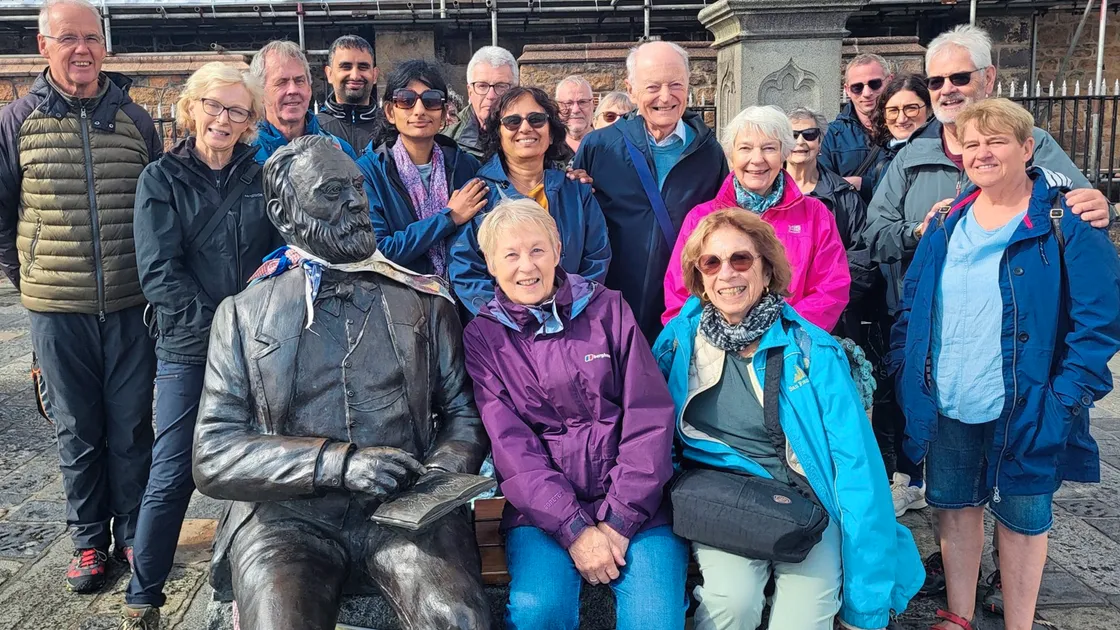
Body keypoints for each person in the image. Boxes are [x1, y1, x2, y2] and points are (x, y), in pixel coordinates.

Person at [192, 135, 491, 630]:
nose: (355, 202)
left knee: (456, 619)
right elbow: (213, 453)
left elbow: (463, 413)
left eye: (356, 186)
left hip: (405, 512)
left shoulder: (425, 302)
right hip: (286, 519)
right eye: (331, 192)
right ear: (284, 214)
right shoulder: (242, 315)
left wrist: (434, 481)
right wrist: (339, 464)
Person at [863, 25, 1116, 605]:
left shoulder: (1060, 209)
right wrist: (907, 369)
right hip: (949, 390)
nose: (981, 152)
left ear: (1027, 148)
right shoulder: (944, 217)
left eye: (996, 142)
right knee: (953, 504)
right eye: (971, 144)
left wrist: (1065, 396)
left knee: (1024, 510)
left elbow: (1097, 317)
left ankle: (1020, 617)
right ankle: (960, 613)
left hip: (1028, 392)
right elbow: (909, 295)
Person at [654, 208, 923, 630]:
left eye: (741, 259)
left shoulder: (813, 351)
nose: (727, 274)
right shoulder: (677, 344)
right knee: (731, 603)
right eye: (712, 262)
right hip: (725, 496)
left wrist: (864, 606)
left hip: (806, 499)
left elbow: (858, 470)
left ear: (766, 268)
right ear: (699, 278)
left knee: (802, 617)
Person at [0, 0, 163, 594]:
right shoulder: (15, 122)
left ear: (105, 44)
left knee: (129, 425)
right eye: (67, 39)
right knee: (76, 428)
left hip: (128, 303)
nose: (81, 50)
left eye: (91, 38)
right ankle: (88, 540)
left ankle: (131, 531)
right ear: (43, 46)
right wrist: (33, 281)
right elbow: (2, 219)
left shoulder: (138, 121)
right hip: (57, 310)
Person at [462, 198, 686, 630]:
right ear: (490, 263)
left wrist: (620, 519)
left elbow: (648, 415)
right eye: (510, 254)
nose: (526, 266)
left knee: (655, 619)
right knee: (537, 612)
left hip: (637, 503)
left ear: (557, 250)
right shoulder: (484, 338)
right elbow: (513, 448)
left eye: (537, 250)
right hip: (543, 513)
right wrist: (576, 530)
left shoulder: (607, 309)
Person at [122, 62, 279, 630]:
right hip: (190, 345)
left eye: (236, 110)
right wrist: (223, 326)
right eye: (213, 105)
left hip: (259, 343)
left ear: (249, 121)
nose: (222, 118)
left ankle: (258, 576)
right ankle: (145, 595)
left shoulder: (261, 176)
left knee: (266, 463)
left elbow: (280, 252)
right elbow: (159, 272)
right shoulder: (160, 179)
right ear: (192, 107)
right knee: (172, 470)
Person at [573, 41, 727, 341]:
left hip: (681, 306)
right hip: (609, 306)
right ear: (631, 90)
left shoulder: (710, 152)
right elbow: (578, 221)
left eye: (676, 85)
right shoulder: (600, 146)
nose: (666, 97)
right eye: (653, 86)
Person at [662, 106, 849, 335]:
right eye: (745, 148)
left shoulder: (815, 215)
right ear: (731, 155)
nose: (757, 159)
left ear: (784, 153)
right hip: (718, 352)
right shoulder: (701, 218)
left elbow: (831, 288)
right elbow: (680, 293)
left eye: (769, 148)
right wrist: (715, 341)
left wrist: (785, 334)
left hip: (793, 349)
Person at [450, 86, 611, 315]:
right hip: (504, 335)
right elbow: (466, 269)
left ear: (552, 131)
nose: (525, 128)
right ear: (498, 133)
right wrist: (509, 318)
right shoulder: (477, 194)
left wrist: (569, 310)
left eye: (536, 119)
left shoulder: (576, 191)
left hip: (571, 323)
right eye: (512, 121)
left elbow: (597, 257)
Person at [356, 60, 485, 279]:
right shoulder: (369, 172)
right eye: (406, 100)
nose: (419, 110)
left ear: (444, 113)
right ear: (389, 111)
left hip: (462, 300)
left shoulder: (466, 166)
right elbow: (378, 251)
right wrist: (448, 218)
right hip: (401, 301)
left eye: (431, 101)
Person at [785, 106, 876, 341]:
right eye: (792, 135)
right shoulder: (765, 193)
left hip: (834, 321)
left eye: (810, 134)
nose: (801, 142)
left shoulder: (844, 195)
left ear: (821, 139)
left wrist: (825, 301)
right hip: (775, 317)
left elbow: (862, 259)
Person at [250, 39, 357, 163]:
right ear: (260, 92)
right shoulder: (242, 155)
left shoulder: (339, 152)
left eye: (299, 81)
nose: (293, 90)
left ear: (309, 88)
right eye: (281, 82)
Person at [819, 54, 893, 198]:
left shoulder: (906, 128)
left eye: (875, 84)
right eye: (857, 87)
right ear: (847, 90)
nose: (867, 93)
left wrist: (862, 184)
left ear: (890, 81)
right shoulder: (830, 135)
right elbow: (823, 188)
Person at [317, 35, 387, 155]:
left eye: (363, 67)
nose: (355, 75)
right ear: (329, 74)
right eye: (346, 67)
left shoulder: (389, 128)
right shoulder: (315, 128)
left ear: (375, 75)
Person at [446, 45, 518, 160]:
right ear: (470, 92)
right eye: (482, 86)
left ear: (516, 90)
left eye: (501, 86)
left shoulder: (533, 134)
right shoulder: (447, 143)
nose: (491, 96)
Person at [555, 75, 594, 155]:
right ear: (557, 107)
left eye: (582, 102)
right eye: (568, 103)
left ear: (592, 104)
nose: (575, 110)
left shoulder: (608, 146)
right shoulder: (548, 148)